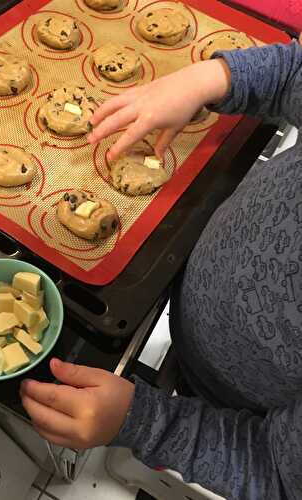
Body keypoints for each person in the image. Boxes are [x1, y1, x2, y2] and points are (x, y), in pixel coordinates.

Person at [20, 38, 302, 499]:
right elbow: (295, 73)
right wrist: (206, 79)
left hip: (226, 400)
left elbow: (274, 470)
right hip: (192, 294)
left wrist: (145, 422)